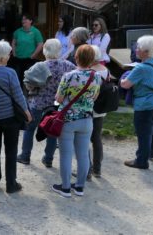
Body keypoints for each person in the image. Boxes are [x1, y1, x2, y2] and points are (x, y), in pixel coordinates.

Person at [52, 45, 101, 198]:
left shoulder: (69, 76)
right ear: (92, 59)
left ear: (76, 57)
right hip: (87, 119)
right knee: (83, 154)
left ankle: (65, 188)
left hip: (68, 119)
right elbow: (94, 97)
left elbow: (58, 99)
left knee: (66, 154)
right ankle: (80, 187)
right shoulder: (97, 76)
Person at [17, 39, 76, 166]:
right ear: (60, 50)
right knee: (52, 130)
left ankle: (25, 156)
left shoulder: (39, 66)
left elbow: (28, 86)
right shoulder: (68, 66)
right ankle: (48, 159)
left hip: (38, 103)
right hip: (57, 103)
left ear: (44, 50)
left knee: (30, 128)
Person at [0, 41, 31, 194]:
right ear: (2, 57)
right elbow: (18, 95)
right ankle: (11, 184)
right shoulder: (10, 72)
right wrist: (26, 111)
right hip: (10, 117)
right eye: (8, 54)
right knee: (11, 151)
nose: (9, 56)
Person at [120, 35, 153, 169]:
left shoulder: (140, 68)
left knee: (143, 133)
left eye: (138, 48)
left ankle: (141, 161)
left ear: (146, 51)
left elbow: (125, 85)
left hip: (144, 104)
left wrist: (122, 77)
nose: (135, 50)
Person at [89, 45, 110, 178]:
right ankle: (97, 169)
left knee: (84, 139)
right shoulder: (105, 70)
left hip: (89, 108)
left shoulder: (90, 71)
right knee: (96, 138)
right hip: (101, 108)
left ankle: (87, 170)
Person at [12, 14, 43, 84]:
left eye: (25, 19)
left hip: (30, 59)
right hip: (18, 59)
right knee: (17, 79)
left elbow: (40, 44)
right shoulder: (17, 31)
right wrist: (14, 53)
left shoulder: (36, 32)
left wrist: (34, 55)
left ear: (31, 21)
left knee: (29, 80)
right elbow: (13, 43)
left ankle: (28, 94)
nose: (23, 21)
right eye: (22, 19)